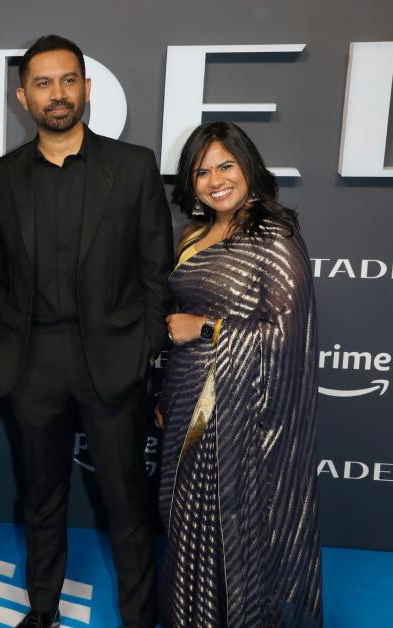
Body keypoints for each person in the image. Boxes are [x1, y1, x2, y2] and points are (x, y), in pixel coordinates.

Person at [0, 35, 173, 628]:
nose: (57, 94)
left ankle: (141, 619)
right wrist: (4, 352)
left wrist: (142, 351)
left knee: (127, 504)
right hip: (32, 363)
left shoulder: (134, 166)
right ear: (23, 97)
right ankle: (42, 611)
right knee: (41, 498)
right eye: (43, 83)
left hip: (112, 362)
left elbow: (156, 271)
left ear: (87, 88)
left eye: (68, 81)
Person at [157, 121, 321, 627]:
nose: (215, 179)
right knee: (187, 525)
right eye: (202, 171)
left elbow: (285, 336)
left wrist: (204, 329)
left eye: (225, 165)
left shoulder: (275, 234)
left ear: (249, 167)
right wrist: (166, 394)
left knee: (235, 526)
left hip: (239, 413)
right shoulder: (194, 234)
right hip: (187, 398)